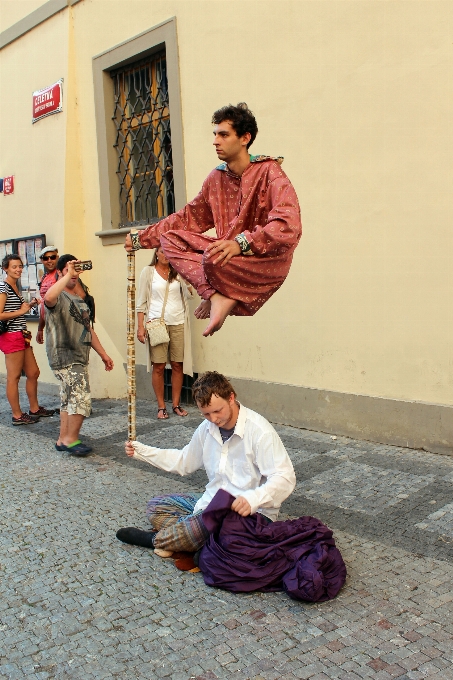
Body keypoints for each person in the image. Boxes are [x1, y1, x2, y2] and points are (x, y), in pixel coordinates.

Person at [125, 103, 302, 337]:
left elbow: (288, 225)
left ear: (245, 138)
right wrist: (141, 239)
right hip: (222, 260)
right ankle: (216, 295)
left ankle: (219, 294)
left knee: (211, 256)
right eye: (215, 134)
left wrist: (240, 243)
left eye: (224, 134)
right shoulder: (215, 178)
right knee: (170, 240)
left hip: (264, 262)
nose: (216, 141)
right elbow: (186, 219)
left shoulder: (269, 172)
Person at [116, 371, 296, 556]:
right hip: (213, 504)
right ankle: (197, 537)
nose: (213, 419)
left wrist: (253, 499)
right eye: (206, 414)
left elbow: (285, 478)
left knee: (209, 522)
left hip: (252, 514)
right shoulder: (206, 428)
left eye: (218, 411)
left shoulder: (260, 431)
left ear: (231, 398)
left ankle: (157, 540)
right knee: (157, 507)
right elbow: (184, 461)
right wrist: (142, 452)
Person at [44, 255, 114, 456]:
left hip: (79, 355)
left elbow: (87, 329)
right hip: (65, 355)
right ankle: (71, 440)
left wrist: (103, 354)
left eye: (75, 269)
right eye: (68, 269)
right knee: (80, 398)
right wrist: (66, 276)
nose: (73, 274)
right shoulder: (58, 295)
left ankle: (62, 439)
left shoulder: (77, 298)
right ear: (59, 272)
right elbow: (48, 298)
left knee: (68, 400)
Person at [137, 244, 194, 419]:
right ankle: (161, 406)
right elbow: (141, 302)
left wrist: (185, 276)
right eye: (162, 251)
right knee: (159, 366)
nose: (165, 255)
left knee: (178, 364)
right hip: (156, 323)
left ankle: (176, 404)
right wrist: (140, 327)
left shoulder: (178, 273)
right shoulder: (148, 272)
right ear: (156, 252)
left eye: (169, 252)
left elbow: (191, 293)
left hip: (178, 322)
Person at [0, 254, 55, 425]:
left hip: (22, 335)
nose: (18, 269)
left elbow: (17, 309)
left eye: (20, 266)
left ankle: (34, 408)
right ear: (5, 269)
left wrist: (30, 305)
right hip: (11, 335)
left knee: (33, 373)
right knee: (14, 377)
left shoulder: (15, 286)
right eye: (14, 267)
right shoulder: (3, 288)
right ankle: (17, 415)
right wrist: (22, 312)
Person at [36, 246, 59, 344]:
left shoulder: (61, 274)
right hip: (49, 325)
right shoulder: (44, 277)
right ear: (42, 261)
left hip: (61, 324)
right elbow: (43, 305)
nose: (49, 260)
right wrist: (40, 328)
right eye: (46, 258)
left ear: (57, 257)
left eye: (52, 257)